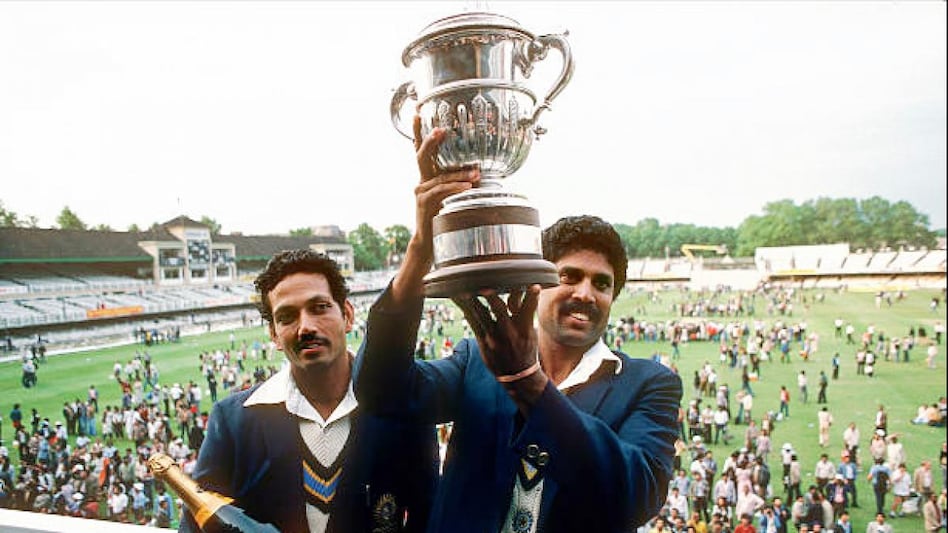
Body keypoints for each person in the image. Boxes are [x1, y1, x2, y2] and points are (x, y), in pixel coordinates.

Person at [357, 119, 683, 533]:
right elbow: (381, 391)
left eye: (602, 283)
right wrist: (422, 248)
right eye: (570, 276)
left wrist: (528, 383)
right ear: (539, 279)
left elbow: (634, 494)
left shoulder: (648, 383)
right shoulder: (476, 359)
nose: (586, 292)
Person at [179, 250, 438, 533]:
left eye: (319, 307)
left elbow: (429, 517)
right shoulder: (233, 421)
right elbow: (197, 526)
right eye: (287, 317)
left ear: (348, 315)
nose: (306, 327)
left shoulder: (402, 404)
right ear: (274, 334)